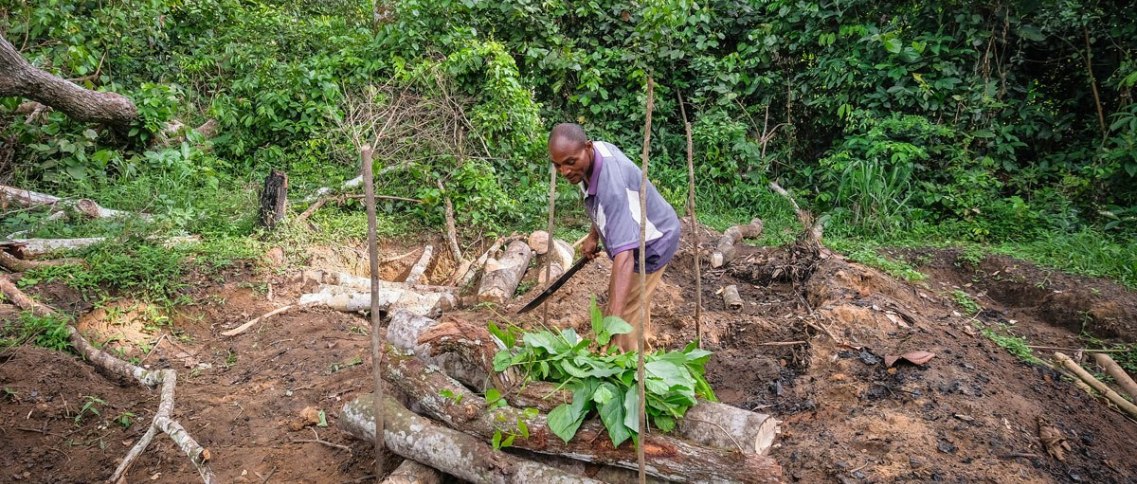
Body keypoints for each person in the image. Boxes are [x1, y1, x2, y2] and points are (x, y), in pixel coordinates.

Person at [547, 123, 681, 352]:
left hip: (653, 242)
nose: (564, 171)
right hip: (637, 231)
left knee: (623, 325)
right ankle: (635, 341)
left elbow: (626, 258)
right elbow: (598, 202)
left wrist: (610, 325)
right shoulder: (591, 158)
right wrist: (593, 236)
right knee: (626, 305)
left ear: (587, 148)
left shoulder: (613, 187)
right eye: (557, 165)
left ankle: (632, 371)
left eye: (570, 162)